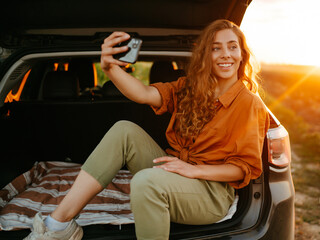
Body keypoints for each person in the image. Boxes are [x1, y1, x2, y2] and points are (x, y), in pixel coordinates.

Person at [25, 19, 270, 240]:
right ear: (207, 54)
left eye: (232, 46)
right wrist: (110, 68)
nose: (225, 54)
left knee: (145, 182)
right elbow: (143, 94)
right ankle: (58, 225)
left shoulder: (249, 104)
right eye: (216, 48)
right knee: (124, 130)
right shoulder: (189, 88)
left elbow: (242, 169)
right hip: (175, 173)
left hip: (210, 194)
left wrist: (193, 171)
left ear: (242, 54)